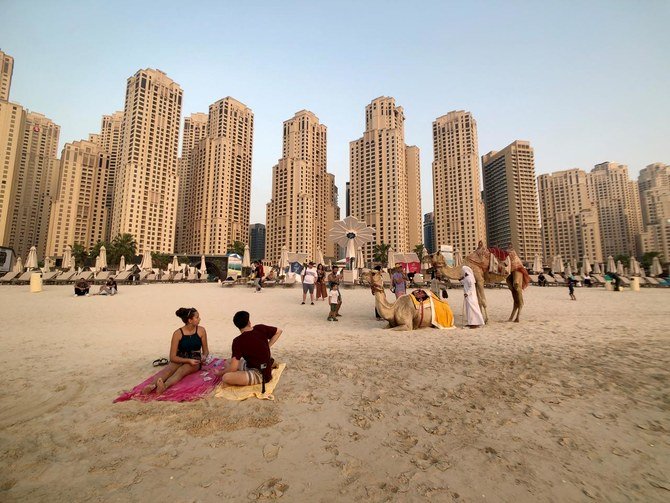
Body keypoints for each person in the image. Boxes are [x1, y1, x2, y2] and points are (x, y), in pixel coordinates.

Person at [142, 307, 210, 395]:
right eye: (197, 317)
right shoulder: (177, 333)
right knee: (168, 370)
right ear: (190, 320)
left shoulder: (201, 331)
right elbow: (172, 357)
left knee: (181, 371)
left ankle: (164, 386)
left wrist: (204, 356)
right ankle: (151, 386)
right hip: (180, 357)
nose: (199, 319)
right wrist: (187, 360)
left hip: (195, 358)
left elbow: (206, 351)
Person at [215, 311, 282, 386]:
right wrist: (267, 346)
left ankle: (240, 375)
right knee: (227, 361)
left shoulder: (238, 341)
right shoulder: (260, 328)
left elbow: (233, 368)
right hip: (257, 365)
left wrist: (219, 373)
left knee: (225, 377)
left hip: (260, 374)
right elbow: (279, 331)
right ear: (249, 322)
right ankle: (270, 363)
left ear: (237, 326)